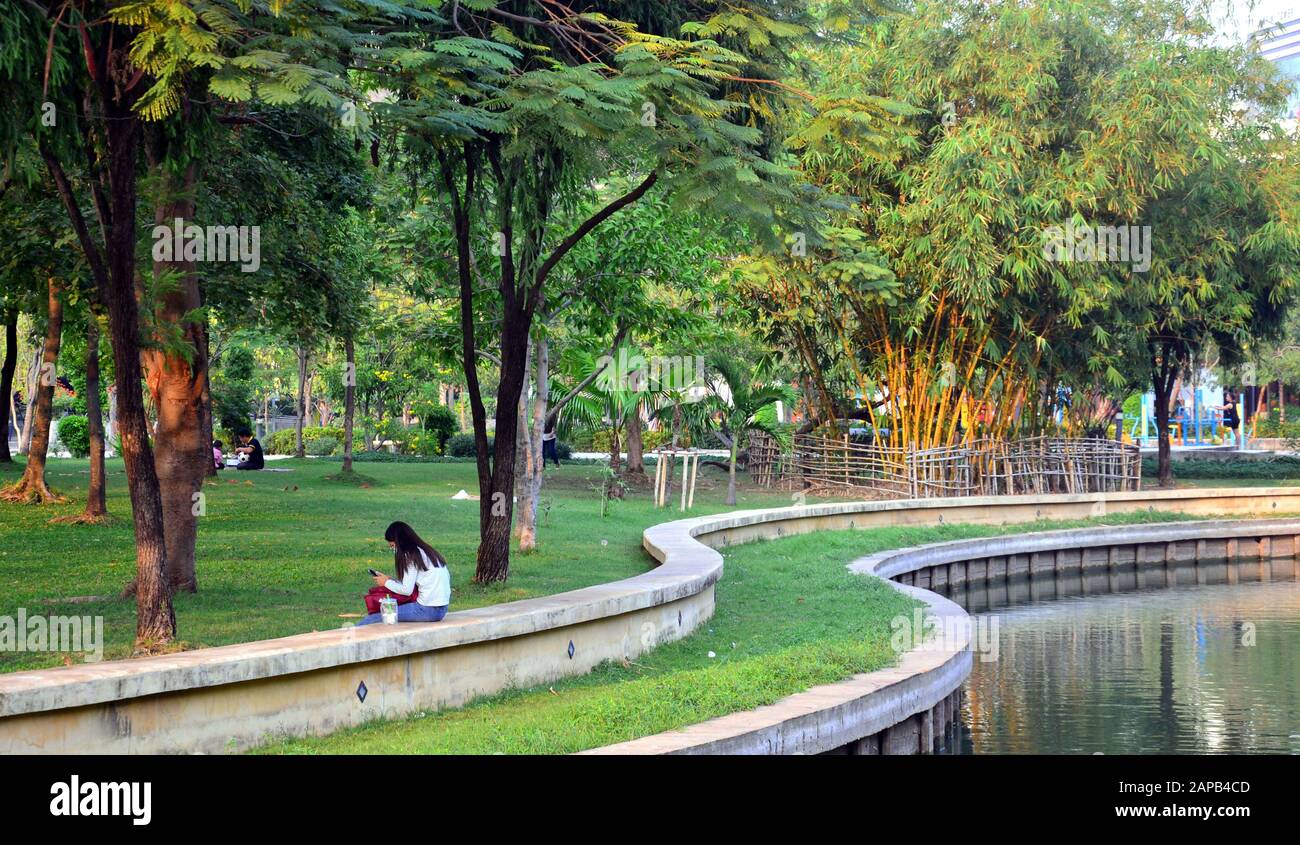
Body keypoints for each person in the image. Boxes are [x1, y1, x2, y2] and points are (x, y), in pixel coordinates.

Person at [355, 522, 451, 625]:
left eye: (392, 546)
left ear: (400, 542)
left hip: (427, 610)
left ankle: (350, 637)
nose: (393, 549)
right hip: (442, 608)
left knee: (378, 615)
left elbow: (406, 590)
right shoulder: (425, 551)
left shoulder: (409, 555)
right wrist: (390, 580)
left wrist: (386, 583)